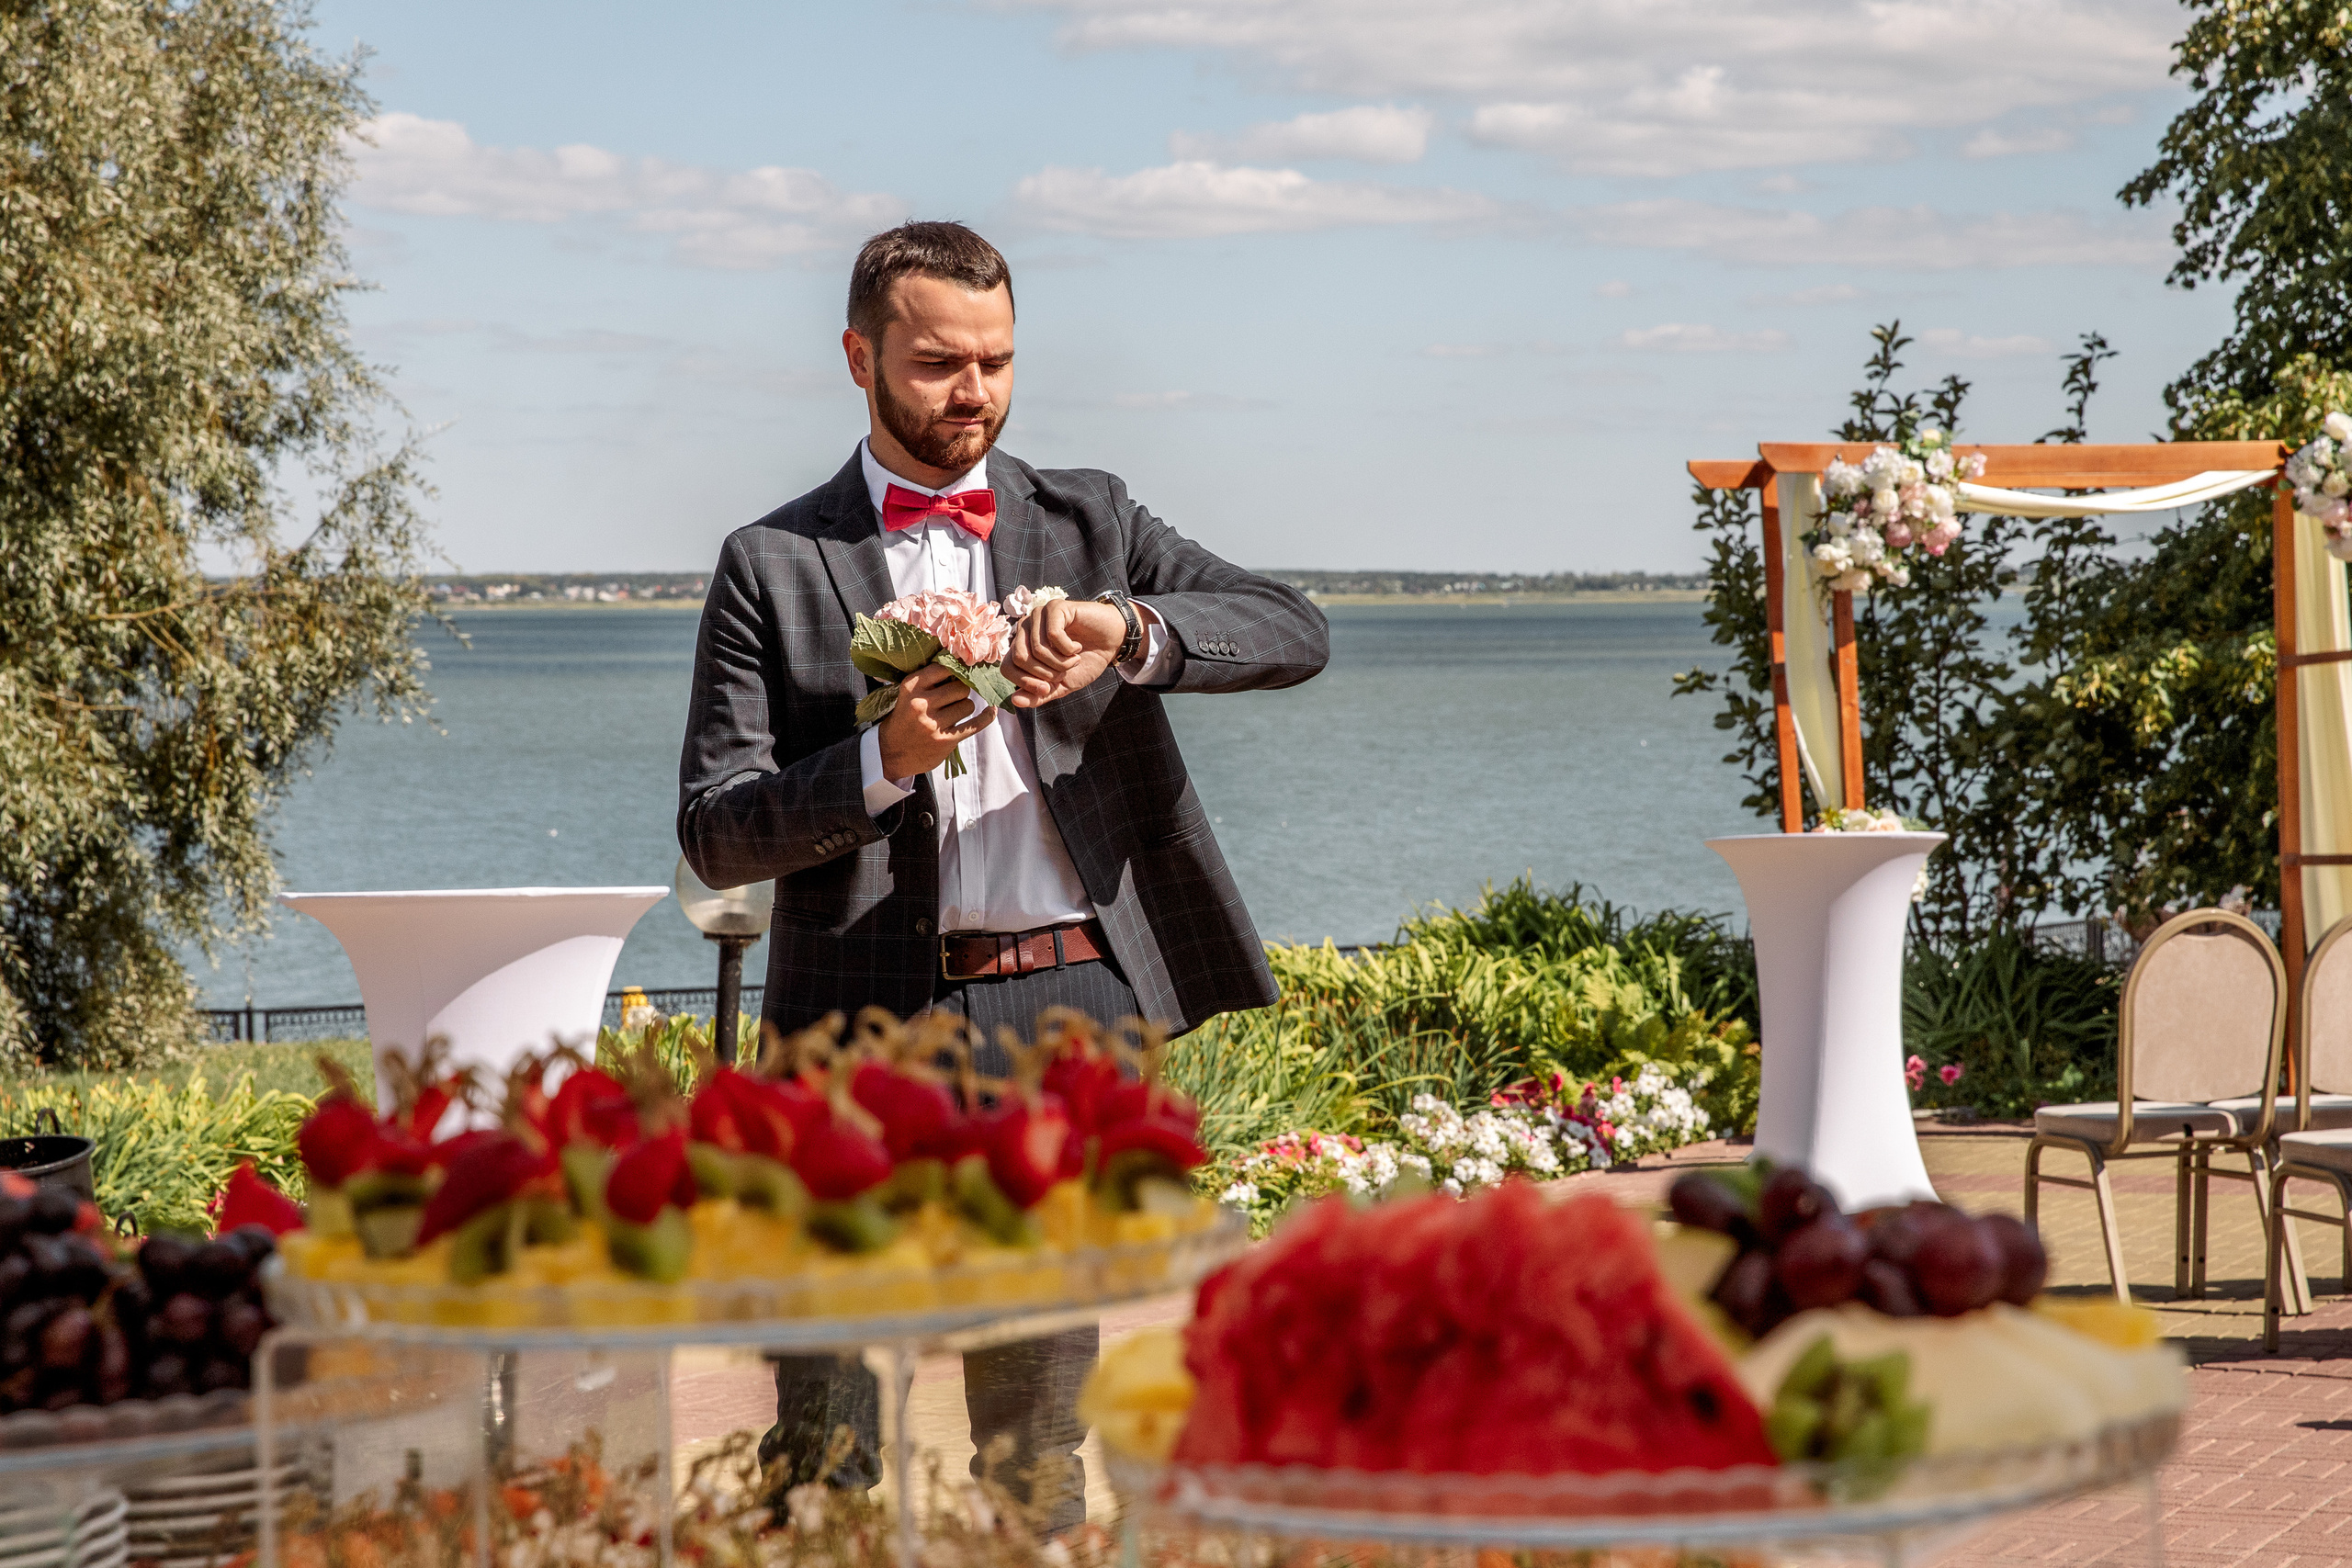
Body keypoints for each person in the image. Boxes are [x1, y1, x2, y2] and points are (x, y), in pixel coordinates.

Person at [675, 220, 1329, 1529]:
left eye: (997, 362)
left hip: (1064, 1010)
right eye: (935, 365)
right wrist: (879, 762)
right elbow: (714, 828)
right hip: (849, 1026)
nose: (971, 393)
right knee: (828, 1442)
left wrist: (1128, 632)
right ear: (859, 357)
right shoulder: (773, 561)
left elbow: (1292, 631)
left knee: (1036, 1439)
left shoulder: (1093, 517)